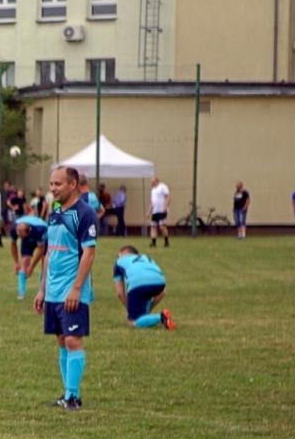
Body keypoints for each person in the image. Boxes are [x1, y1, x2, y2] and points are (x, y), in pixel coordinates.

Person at [34, 166, 99, 411]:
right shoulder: (55, 212)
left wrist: (76, 288)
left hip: (72, 290)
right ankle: (66, 394)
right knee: (62, 340)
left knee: (73, 340)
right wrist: (42, 289)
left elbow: (89, 252)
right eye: (51, 184)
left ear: (72, 185)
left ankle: (73, 397)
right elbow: (49, 253)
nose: (53, 188)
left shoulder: (85, 213)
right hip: (53, 290)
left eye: (58, 184)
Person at [112, 245, 175, 330]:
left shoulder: (119, 262)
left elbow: (120, 293)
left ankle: (161, 317)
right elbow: (163, 292)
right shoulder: (147, 258)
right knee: (144, 300)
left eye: (119, 256)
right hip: (160, 283)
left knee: (132, 322)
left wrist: (130, 309)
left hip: (138, 285)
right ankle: (149, 317)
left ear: (124, 254)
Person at [13, 213, 48, 300]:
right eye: (19, 236)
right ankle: (21, 292)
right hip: (29, 239)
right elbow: (13, 244)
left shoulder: (40, 230)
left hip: (45, 241)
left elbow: (41, 249)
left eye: (22, 236)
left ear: (28, 231)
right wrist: (16, 262)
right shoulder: (14, 229)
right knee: (24, 262)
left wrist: (32, 267)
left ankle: (42, 291)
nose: (20, 238)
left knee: (45, 264)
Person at [149, 176, 171, 247]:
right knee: (153, 226)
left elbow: (168, 197)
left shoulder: (162, 187)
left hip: (161, 210)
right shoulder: (153, 190)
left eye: (152, 181)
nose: (151, 183)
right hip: (155, 211)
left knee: (162, 226)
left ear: (156, 181)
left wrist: (165, 207)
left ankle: (166, 241)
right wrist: (149, 211)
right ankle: (153, 243)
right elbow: (152, 202)